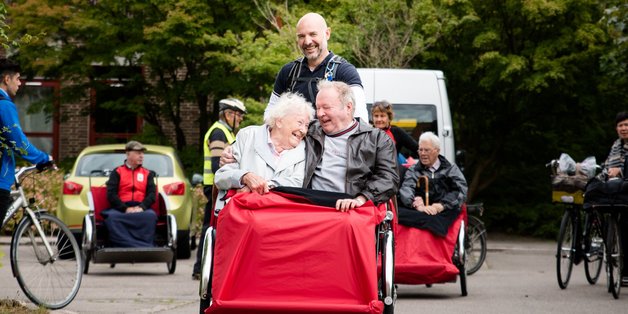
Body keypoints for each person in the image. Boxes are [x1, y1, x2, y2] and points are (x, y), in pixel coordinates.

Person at [304, 80, 399, 211]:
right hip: (311, 206)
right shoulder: (308, 130)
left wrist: (361, 199)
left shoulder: (377, 139)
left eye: (326, 107)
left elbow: (389, 178)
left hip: (351, 209)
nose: (319, 113)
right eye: (318, 108)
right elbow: (277, 132)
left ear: (348, 107)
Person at [213, 92, 314, 210]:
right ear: (279, 121)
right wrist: (244, 177)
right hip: (243, 215)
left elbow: (297, 183)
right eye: (300, 123)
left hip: (279, 218)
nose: (303, 130)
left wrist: (260, 187)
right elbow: (221, 177)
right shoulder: (248, 136)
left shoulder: (304, 150)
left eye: (307, 125)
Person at [265, 12, 368, 123]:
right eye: (301, 36)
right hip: (295, 139)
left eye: (313, 34)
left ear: (327, 34)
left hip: (331, 139)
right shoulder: (289, 72)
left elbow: (360, 119)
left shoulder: (345, 71)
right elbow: (270, 116)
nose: (307, 41)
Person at [193, 98, 246, 279]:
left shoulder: (227, 132)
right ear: (228, 114)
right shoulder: (219, 132)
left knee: (212, 226)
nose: (240, 120)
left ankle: (203, 267)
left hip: (215, 184)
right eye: (238, 116)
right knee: (211, 227)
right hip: (214, 186)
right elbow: (218, 165)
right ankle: (200, 267)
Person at [0, 58, 52, 226]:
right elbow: (18, 143)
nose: (20, 83)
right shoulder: (3, 105)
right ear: (7, 79)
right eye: (18, 78)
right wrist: (43, 159)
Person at [397, 131, 467, 237]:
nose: (423, 153)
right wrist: (415, 203)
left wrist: (441, 205)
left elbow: (461, 190)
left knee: (443, 215)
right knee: (396, 213)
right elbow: (406, 188)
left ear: (437, 151)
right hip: (420, 211)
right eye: (420, 150)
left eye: (427, 150)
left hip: (442, 210)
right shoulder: (414, 170)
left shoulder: (450, 169)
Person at [103, 141, 157, 248]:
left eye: (142, 153)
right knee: (112, 218)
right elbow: (111, 194)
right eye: (138, 153)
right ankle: (128, 245)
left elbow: (152, 194)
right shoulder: (117, 172)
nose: (141, 156)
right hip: (121, 208)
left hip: (140, 207)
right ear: (128, 154)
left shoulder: (147, 173)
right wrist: (125, 209)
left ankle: (144, 245)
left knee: (151, 216)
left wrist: (142, 207)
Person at [371, 100, 418, 170]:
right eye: (376, 116)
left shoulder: (397, 132)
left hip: (392, 175)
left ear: (389, 118)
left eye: (382, 116)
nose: (379, 119)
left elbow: (418, 149)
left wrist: (415, 162)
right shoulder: (367, 133)